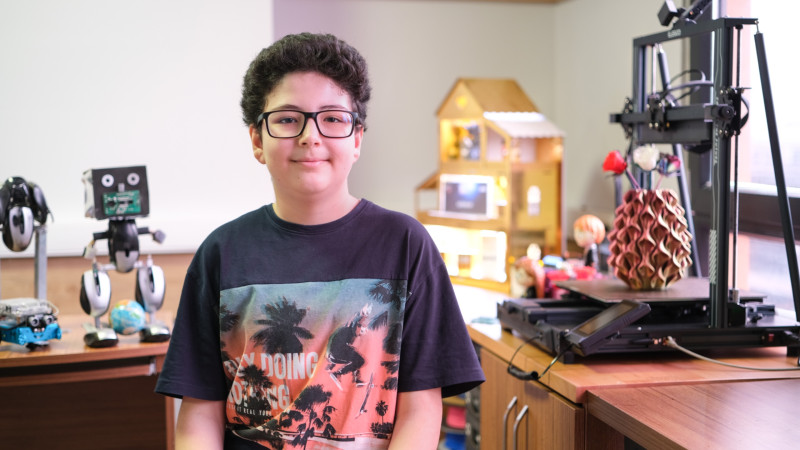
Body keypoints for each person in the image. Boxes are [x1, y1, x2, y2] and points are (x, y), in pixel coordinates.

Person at [155, 32, 485, 449]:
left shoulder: (406, 245)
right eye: (287, 119)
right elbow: (199, 413)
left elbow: (420, 410)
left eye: (332, 118)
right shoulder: (221, 253)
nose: (310, 136)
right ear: (257, 140)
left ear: (357, 138)